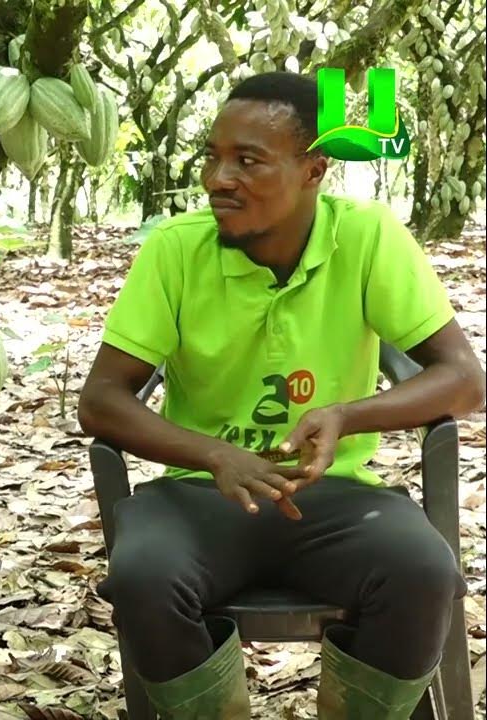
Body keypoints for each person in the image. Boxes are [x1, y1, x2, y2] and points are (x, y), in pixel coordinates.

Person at [77, 72, 485, 719]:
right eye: (212, 156)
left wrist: (348, 415)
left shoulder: (368, 237)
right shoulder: (175, 252)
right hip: (199, 498)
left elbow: (464, 379)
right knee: (142, 578)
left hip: (334, 499)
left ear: (314, 170)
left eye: (248, 160)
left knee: (422, 574)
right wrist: (214, 454)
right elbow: (100, 400)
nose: (218, 178)